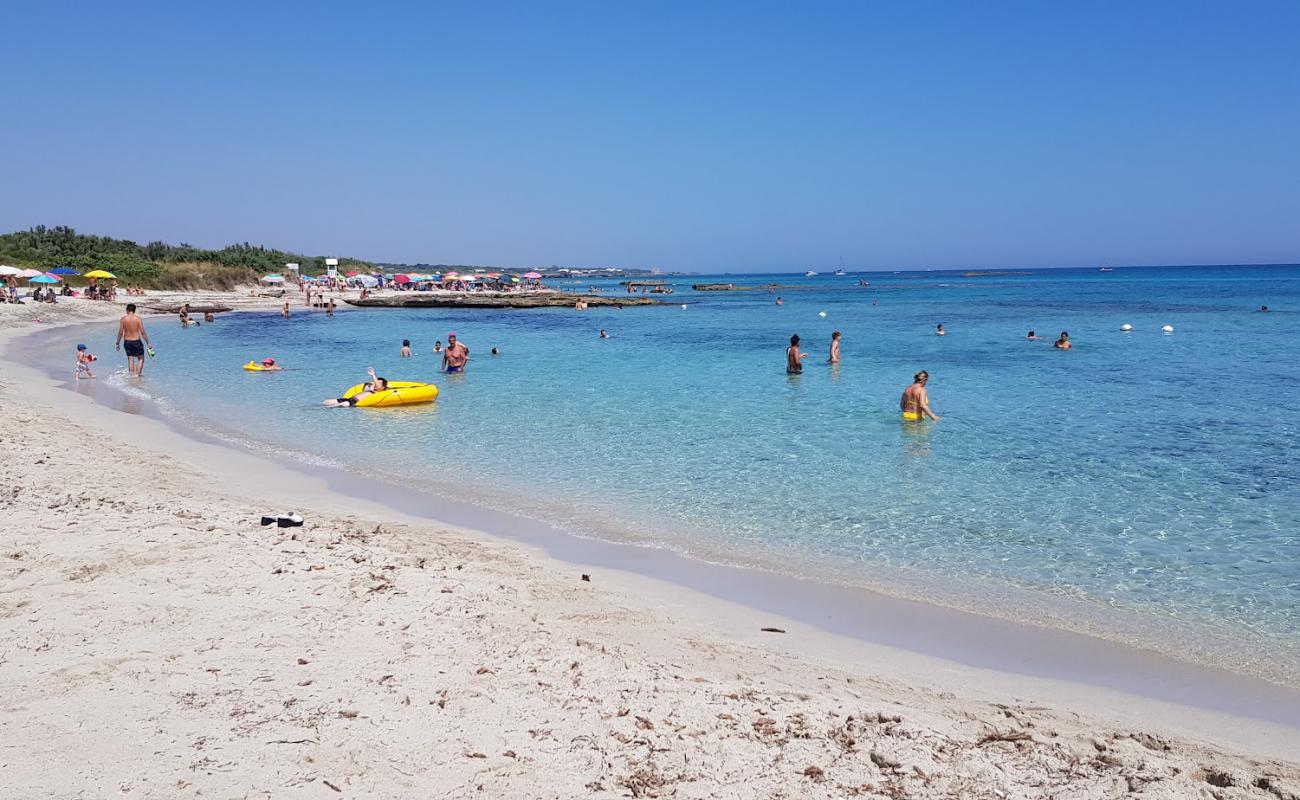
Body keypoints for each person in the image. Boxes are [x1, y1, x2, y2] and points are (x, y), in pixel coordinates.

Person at [115, 303, 152, 377]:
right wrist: (148, 343)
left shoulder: (123, 319)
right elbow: (143, 332)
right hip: (136, 341)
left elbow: (120, 332)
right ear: (134, 311)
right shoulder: (138, 319)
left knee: (130, 358)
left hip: (127, 342)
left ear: (127, 310)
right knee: (141, 358)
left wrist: (117, 342)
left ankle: (131, 375)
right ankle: (137, 375)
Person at [323, 367, 387, 407]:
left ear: (383, 387)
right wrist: (372, 386)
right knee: (325, 402)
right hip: (348, 399)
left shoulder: (379, 393)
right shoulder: (371, 389)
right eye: (376, 382)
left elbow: (379, 388)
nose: (376, 384)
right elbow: (373, 385)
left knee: (328, 408)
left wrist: (373, 375)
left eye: (379, 383)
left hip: (352, 402)